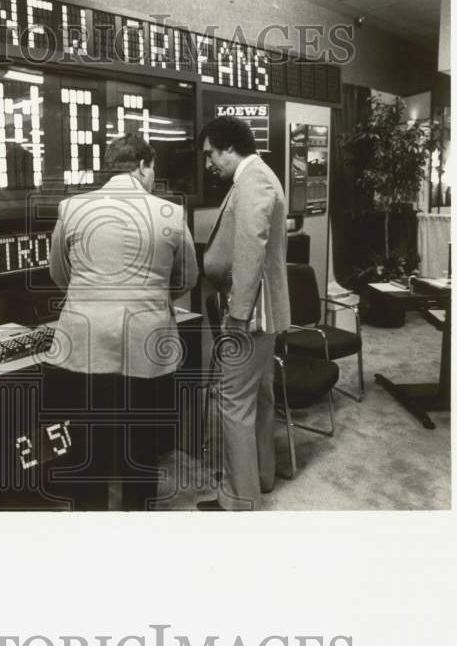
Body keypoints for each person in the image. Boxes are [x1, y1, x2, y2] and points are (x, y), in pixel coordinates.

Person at [47, 133, 198, 510]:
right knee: (142, 449)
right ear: (145, 165)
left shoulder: (71, 208)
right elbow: (187, 277)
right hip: (146, 348)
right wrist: (153, 300)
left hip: (83, 346)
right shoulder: (171, 213)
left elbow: (58, 274)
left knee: (84, 448)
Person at [197, 116, 290, 510]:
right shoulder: (257, 177)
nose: (208, 164)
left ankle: (239, 499)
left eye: (210, 154)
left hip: (250, 315)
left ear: (228, 148)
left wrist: (237, 314)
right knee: (260, 397)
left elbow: (252, 245)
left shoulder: (255, 180)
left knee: (233, 401)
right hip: (261, 313)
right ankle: (262, 476)